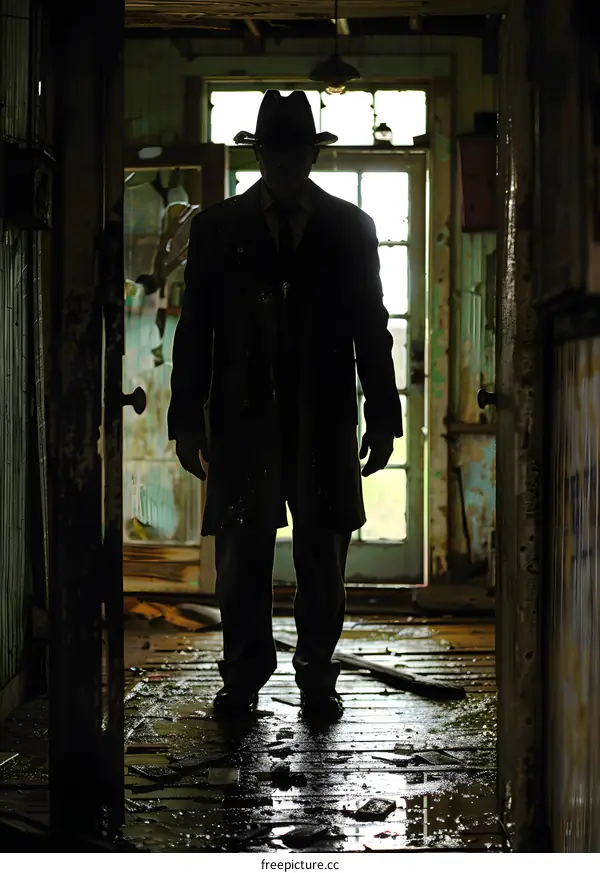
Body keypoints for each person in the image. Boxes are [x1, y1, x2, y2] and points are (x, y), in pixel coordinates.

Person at [168, 90, 403, 721]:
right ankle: (243, 676)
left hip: (323, 417)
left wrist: (383, 415)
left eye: (298, 149)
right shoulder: (217, 228)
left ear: (311, 154)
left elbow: (371, 327)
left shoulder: (350, 228)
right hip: (244, 421)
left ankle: (317, 680)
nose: (288, 161)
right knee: (242, 555)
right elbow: (194, 331)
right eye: (278, 149)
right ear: (262, 152)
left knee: (322, 555)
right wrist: (187, 416)